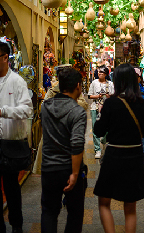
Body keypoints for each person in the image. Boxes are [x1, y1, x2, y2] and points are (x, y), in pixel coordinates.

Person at [0, 42, 33, 233]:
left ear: (5, 58)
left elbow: (27, 109)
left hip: (10, 143)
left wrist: (2, 111)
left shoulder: (17, 81)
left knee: (12, 188)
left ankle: (16, 225)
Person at [93, 63, 144, 233]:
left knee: (104, 201)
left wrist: (101, 115)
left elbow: (98, 131)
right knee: (130, 206)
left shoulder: (111, 103)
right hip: (135, 154)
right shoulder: (142, 103)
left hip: (114, 155)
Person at [40, 67, 88, 233]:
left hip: (48, 168)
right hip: (69, 169)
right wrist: (75, 174)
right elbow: (77, 144)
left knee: (49, 212)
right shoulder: (77, 111)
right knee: (74, 214)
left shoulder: (45, 107)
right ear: (78, 87)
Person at [32, 64, 89, 175]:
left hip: (51, 159)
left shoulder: (73, 98)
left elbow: (84, 104)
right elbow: (77, 142)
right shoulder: (53, 91)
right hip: (59, 150)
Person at [87, 66, 114, 159]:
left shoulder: (110, 84)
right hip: (95, 107)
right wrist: (98, 96)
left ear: (106, 74)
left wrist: (108, 96)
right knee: (95, 128)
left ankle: (104, 141)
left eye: (102, 73)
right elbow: (89, 96)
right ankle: (97, 149)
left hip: (107, 109)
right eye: (99, 73)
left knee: (108, 128)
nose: (100, 74)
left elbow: (114, 96)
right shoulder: (94, 83)